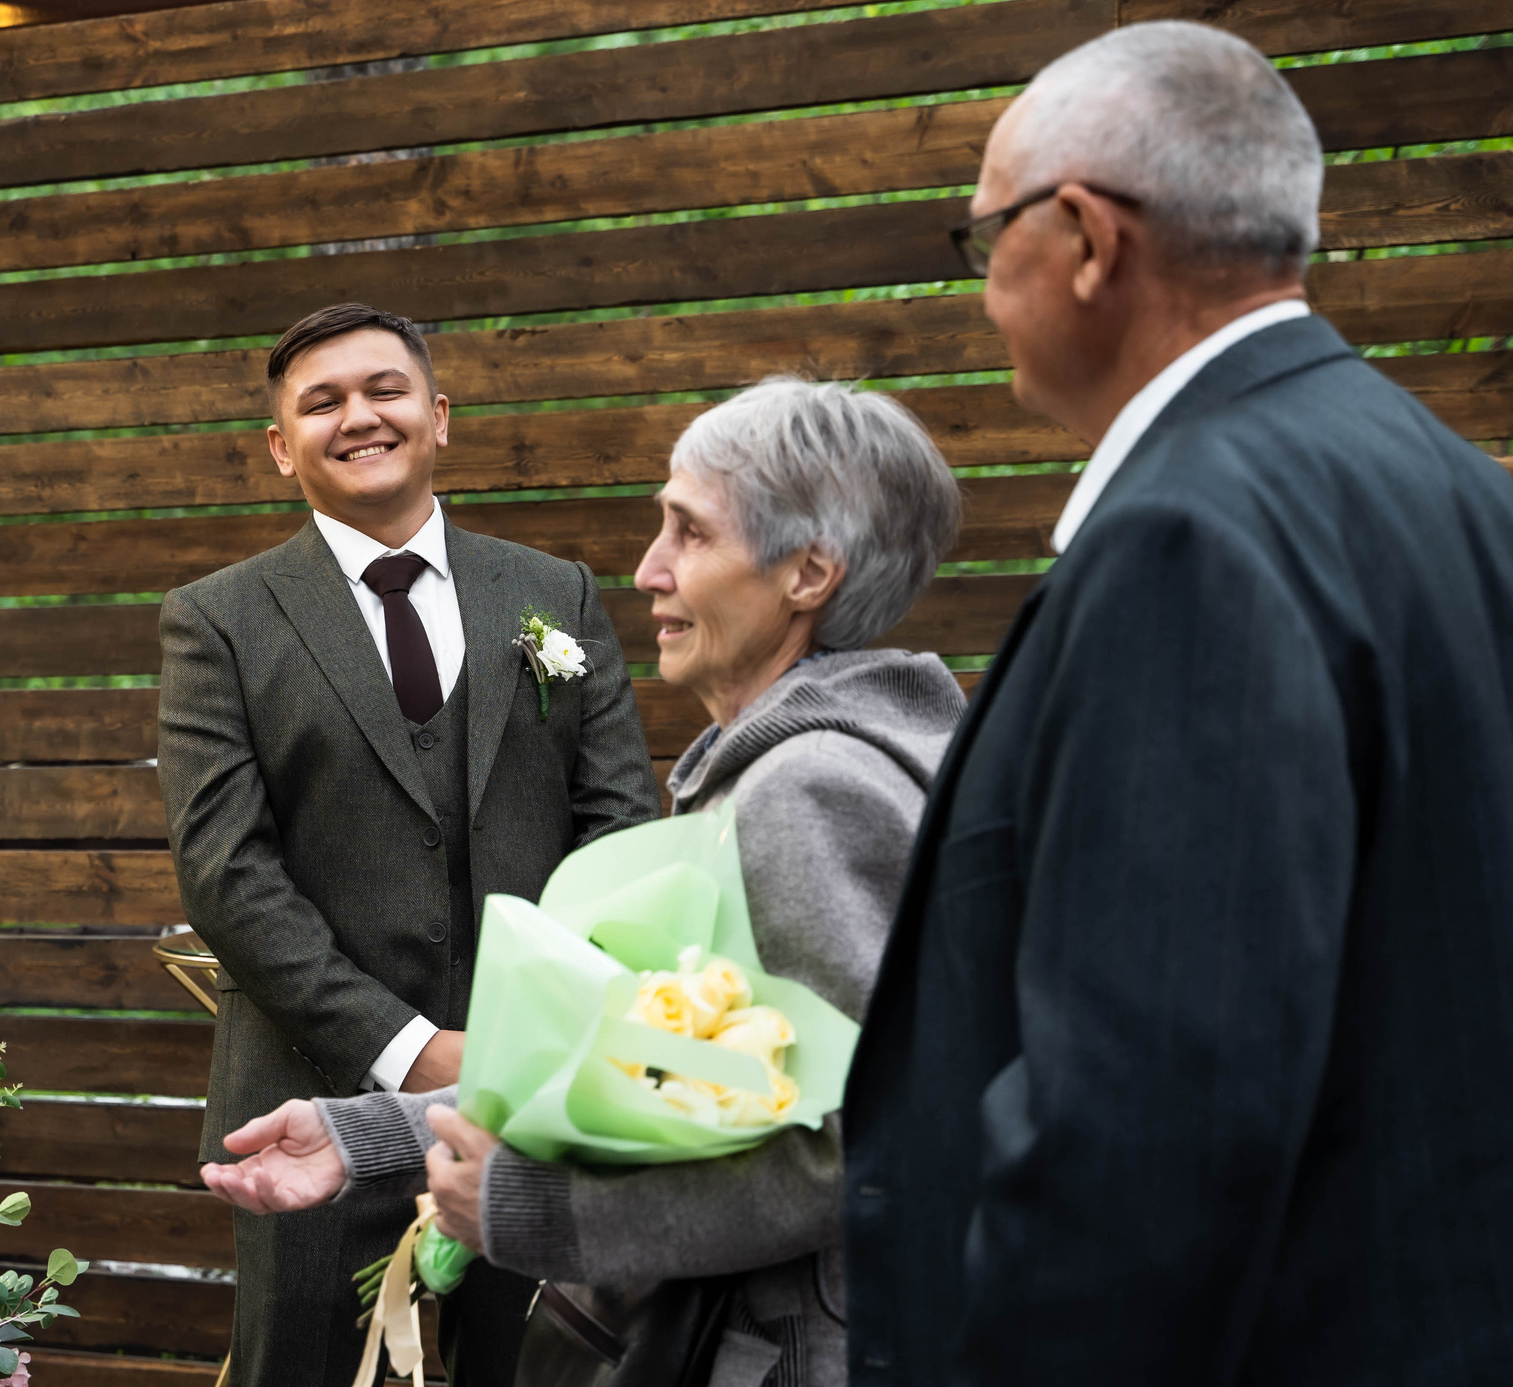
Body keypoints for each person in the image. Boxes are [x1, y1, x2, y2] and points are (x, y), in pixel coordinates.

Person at [843, 21, 1513, 1385]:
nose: (982, 293)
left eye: (985, 242)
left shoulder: (1186, 540)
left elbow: (1148, 1127)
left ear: (1086, 237)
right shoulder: (1461, 488)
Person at [203, 378, 966, 1387]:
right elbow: (692, 1083)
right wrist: (377, 1132)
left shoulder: (808, 793)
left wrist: (536, 1211)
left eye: (689, 535)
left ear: (808, 574)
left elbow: (863, 1145)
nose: (648, 571)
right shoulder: (777, 770)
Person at [160, 304, 665, 1386]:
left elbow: (621, 833)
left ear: (438, 417)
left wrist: (537, 1041)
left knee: (543, 1371)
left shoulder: (555, 594)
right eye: (321, 402)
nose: (358, 416)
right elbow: (224, 871)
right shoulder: (216, 622)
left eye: (384, 389)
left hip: (531, 1096)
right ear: (278, 446)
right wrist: (411, 1053)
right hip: (307, 1099)